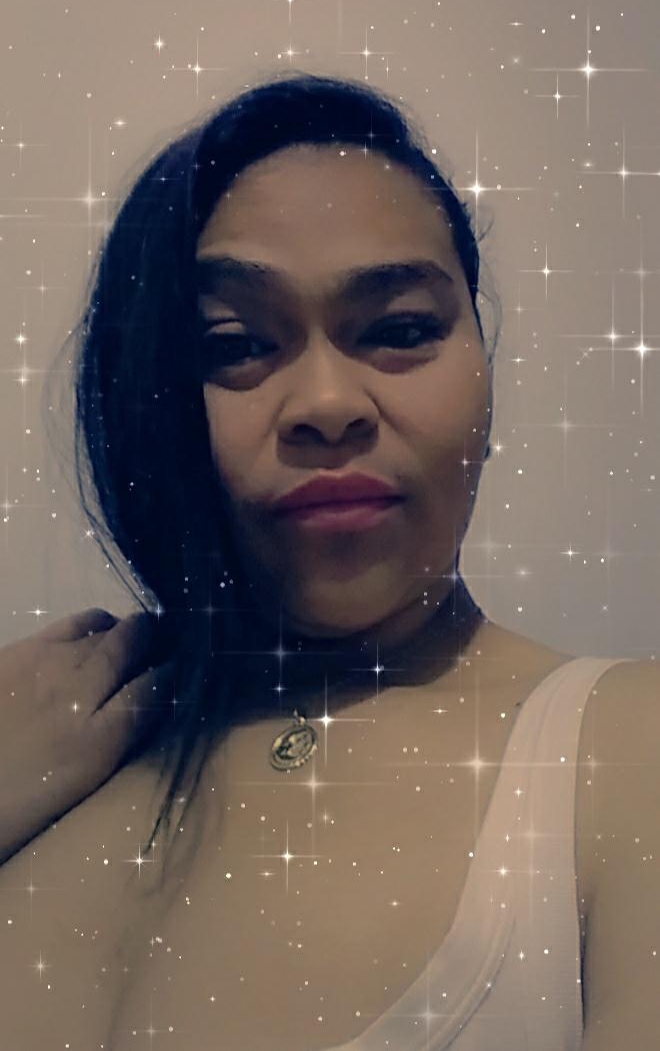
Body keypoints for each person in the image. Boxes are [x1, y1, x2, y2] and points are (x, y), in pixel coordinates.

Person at [0, 71, 656, 1050]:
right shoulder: (48, 740)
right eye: (234, 345)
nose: (327, 404)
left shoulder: (624, 755)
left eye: (400, 330)